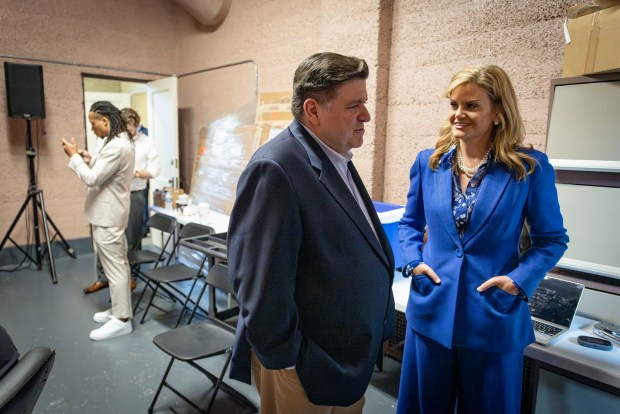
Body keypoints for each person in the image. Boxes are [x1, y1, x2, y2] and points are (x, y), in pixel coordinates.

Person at [227, 52, 396, 413]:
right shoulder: (276, 168)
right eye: (354, 105)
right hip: (305, 367)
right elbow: (259, 284)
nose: (366, 115)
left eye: (364, 103)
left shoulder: (334, 157)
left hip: (345, 357)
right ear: (313, 111)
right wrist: (287, 360)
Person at [396, 64, 569, 414]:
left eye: (471, 106)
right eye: (453, 104)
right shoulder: (429, 163)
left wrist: (517, 281)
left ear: (498, 113)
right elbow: (409, 224)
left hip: (493, 313)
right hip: (432, 307)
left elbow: (552, 239)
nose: (458, 114)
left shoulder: (528, 168)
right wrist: (413, 262)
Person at [62, 101, 135, 341]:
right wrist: (88, 158)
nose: (92, 128)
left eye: (93, 123)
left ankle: (122, 320)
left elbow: (93, 179)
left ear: (105, 121)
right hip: (107, 215)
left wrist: (74, 159)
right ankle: (118, 310)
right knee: (117, 266)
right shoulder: (116, 143)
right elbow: (104, 173)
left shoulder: (118, 146)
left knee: (115, 268)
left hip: (109, 217)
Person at [82, 108, 160, 294]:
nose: (130, 131)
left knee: (133, 236)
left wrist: (136, 173)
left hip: (135, 193)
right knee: (103, 238)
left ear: (136, 124)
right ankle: (103, 278)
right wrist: (88, 160)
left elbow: (155, 170)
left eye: (133, 127)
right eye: (127, 127)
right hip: (111, 194)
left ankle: (132, 276)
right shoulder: (107, 141)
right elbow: (100, 165)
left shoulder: (146, 142)